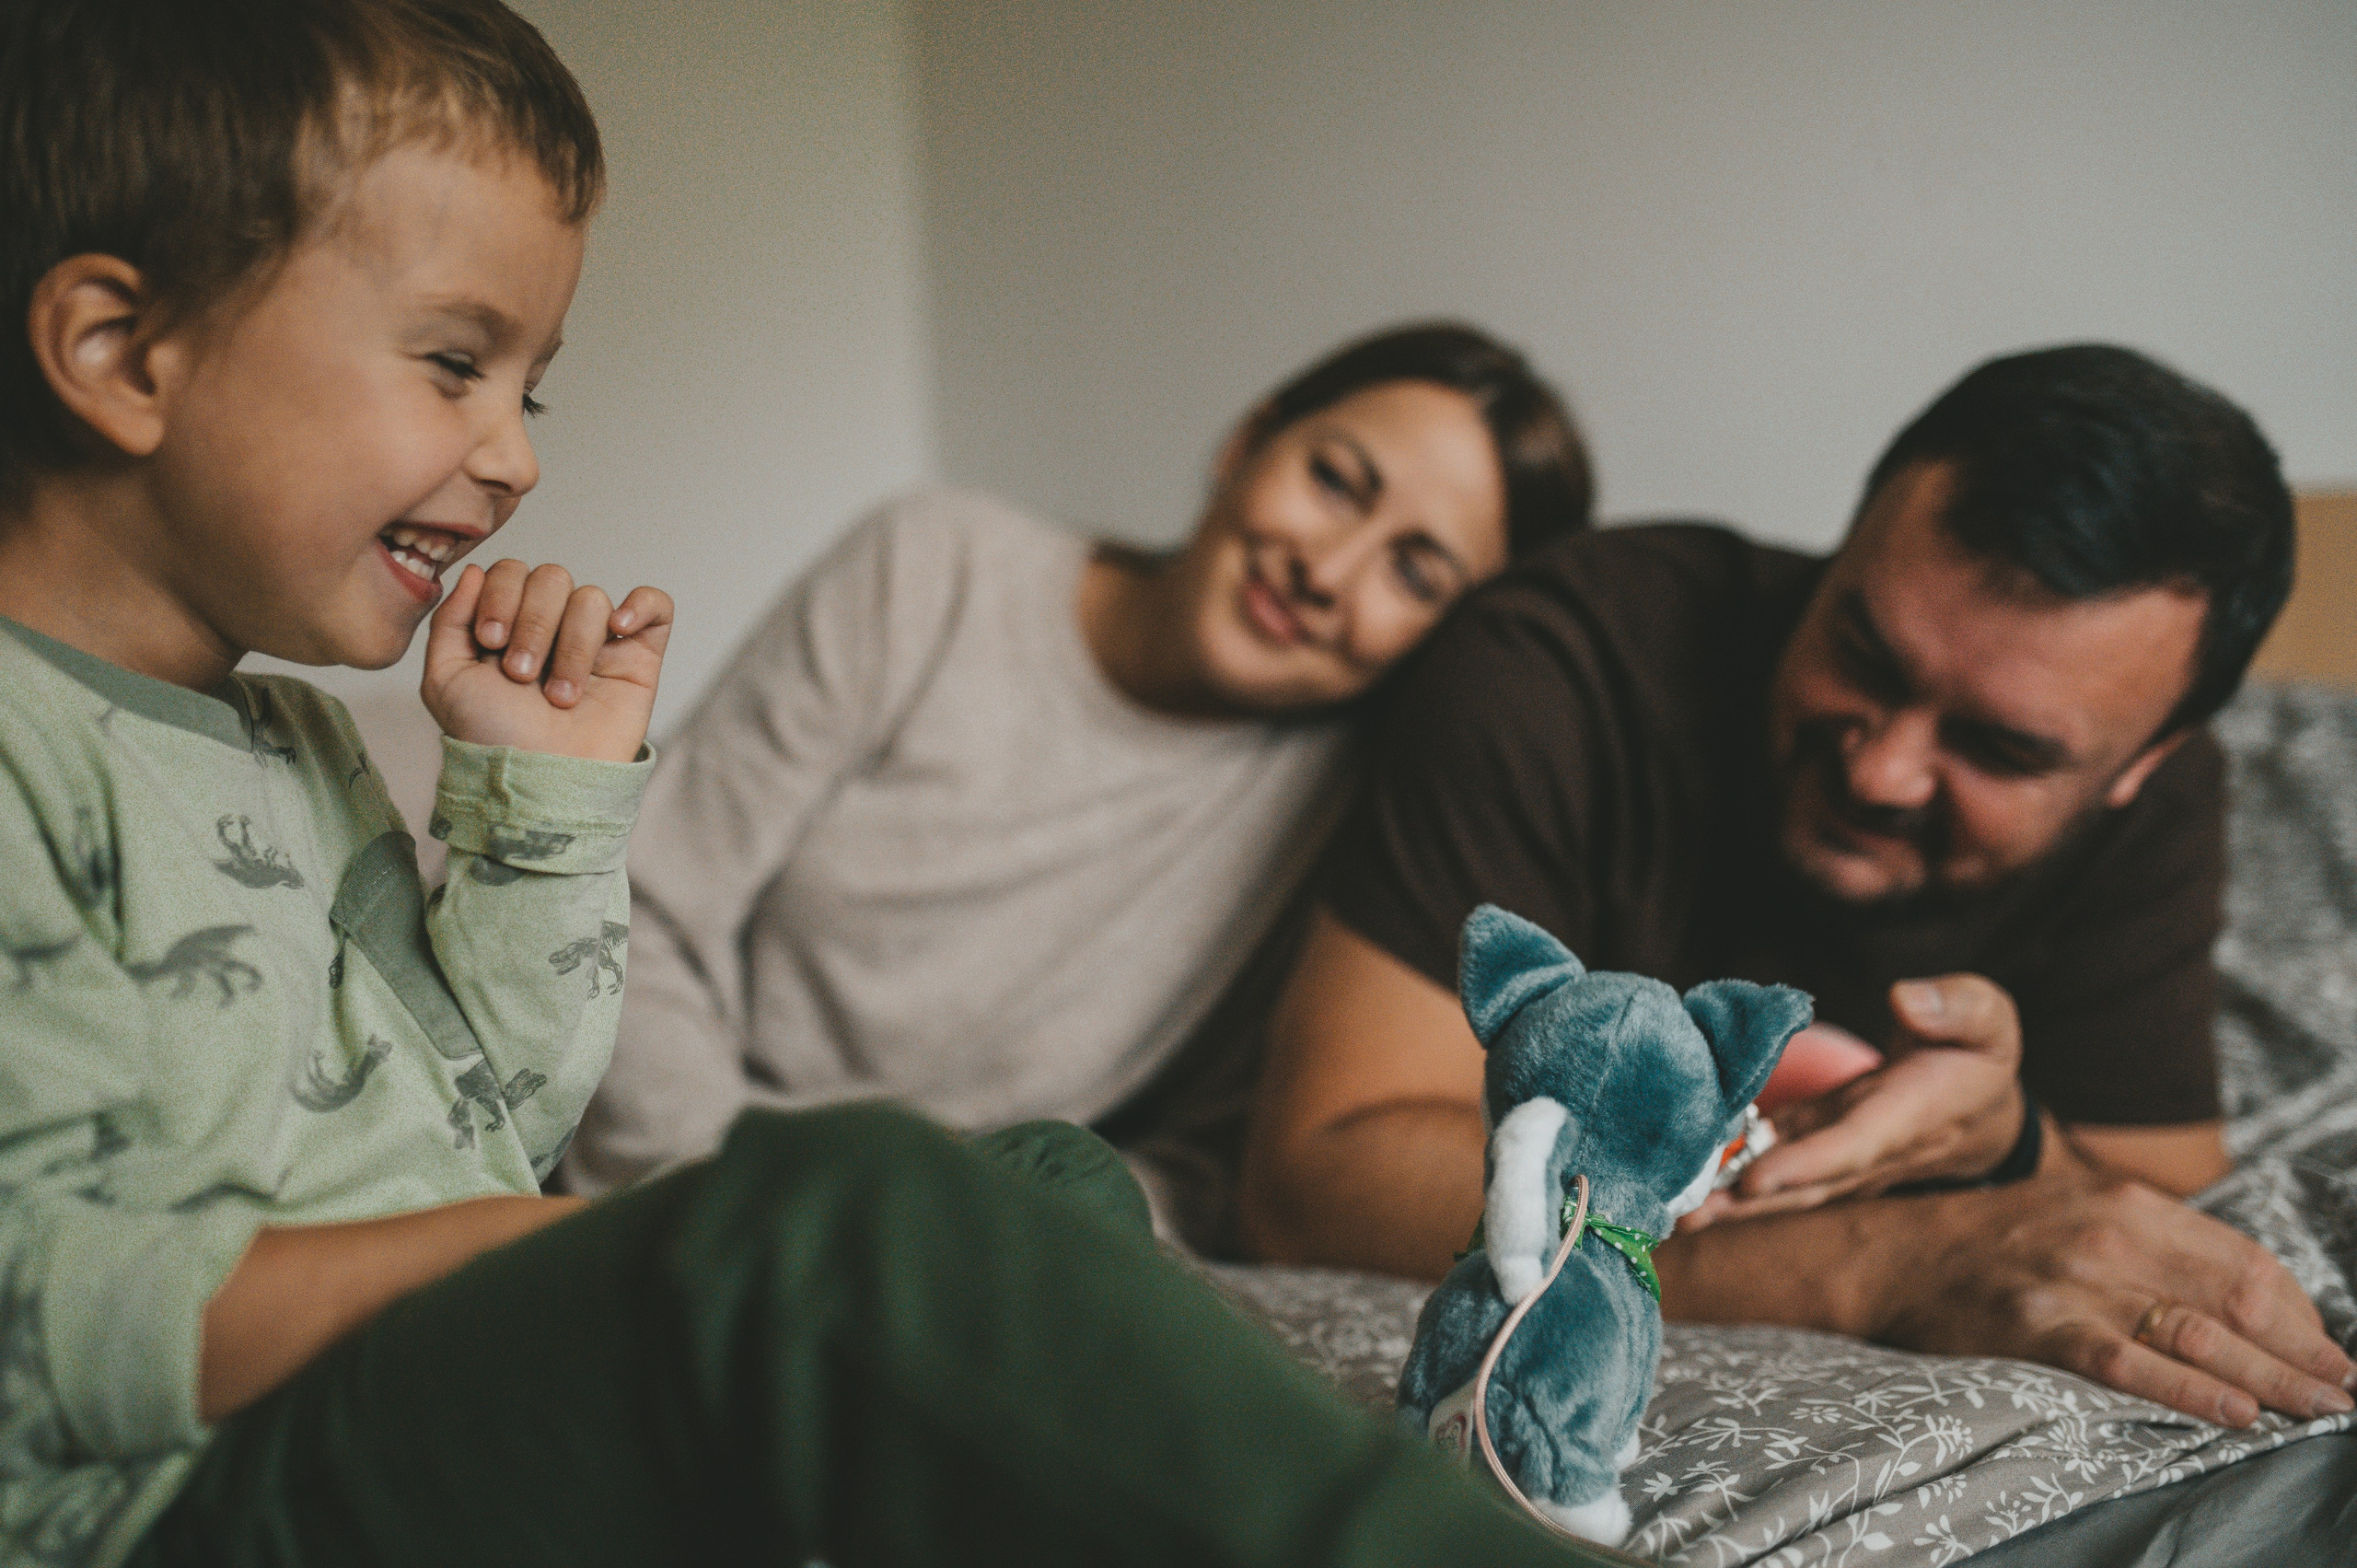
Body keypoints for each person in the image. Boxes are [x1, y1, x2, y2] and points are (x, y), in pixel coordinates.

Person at [0, 5, 1620, 1566]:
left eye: (531, 389)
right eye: (452, 363)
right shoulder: (28, 743)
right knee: (862, 1210)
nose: (516, 457)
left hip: (516, 1335)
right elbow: (50, 1310)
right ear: (121, 350)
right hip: (170, 1495)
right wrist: (685, 1241)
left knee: (1050, 1182)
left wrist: (536, 813)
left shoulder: (301, 741)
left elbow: (490, 1120)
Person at [1239, 343, 2357, 1431]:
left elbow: (2150, 1210)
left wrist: (2009, 1144)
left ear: (2139, 765)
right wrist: (1877, 1264)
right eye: (1864, 654)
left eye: (1999, 749)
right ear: (1845, 546)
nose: (1880, 770)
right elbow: (1319, 1169)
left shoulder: (2166, 805)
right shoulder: (1560, 653)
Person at [563, 321, 1593, 1243]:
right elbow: (640, 908)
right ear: (1246, 443)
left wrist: (994, 1238)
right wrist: (726, 1216)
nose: (1327, 570)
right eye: (1334, 480)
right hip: (665, 1193)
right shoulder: (933, 567)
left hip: (919, 1251)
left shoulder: (1346, 816)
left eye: (1414, 572)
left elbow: (1202, 1165)